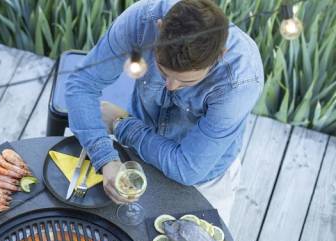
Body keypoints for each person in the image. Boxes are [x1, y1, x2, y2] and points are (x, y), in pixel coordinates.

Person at [65, 0, 264, 223]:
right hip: (136, 156)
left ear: (220, 55)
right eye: (162, 70)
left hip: (204, 181)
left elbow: (188, 169)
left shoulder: (241, 81)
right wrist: (106, 158)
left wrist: (122, 124)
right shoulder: (142, 21)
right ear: (159, 28)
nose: (171, 85)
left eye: (186, 81)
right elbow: (82, 84)